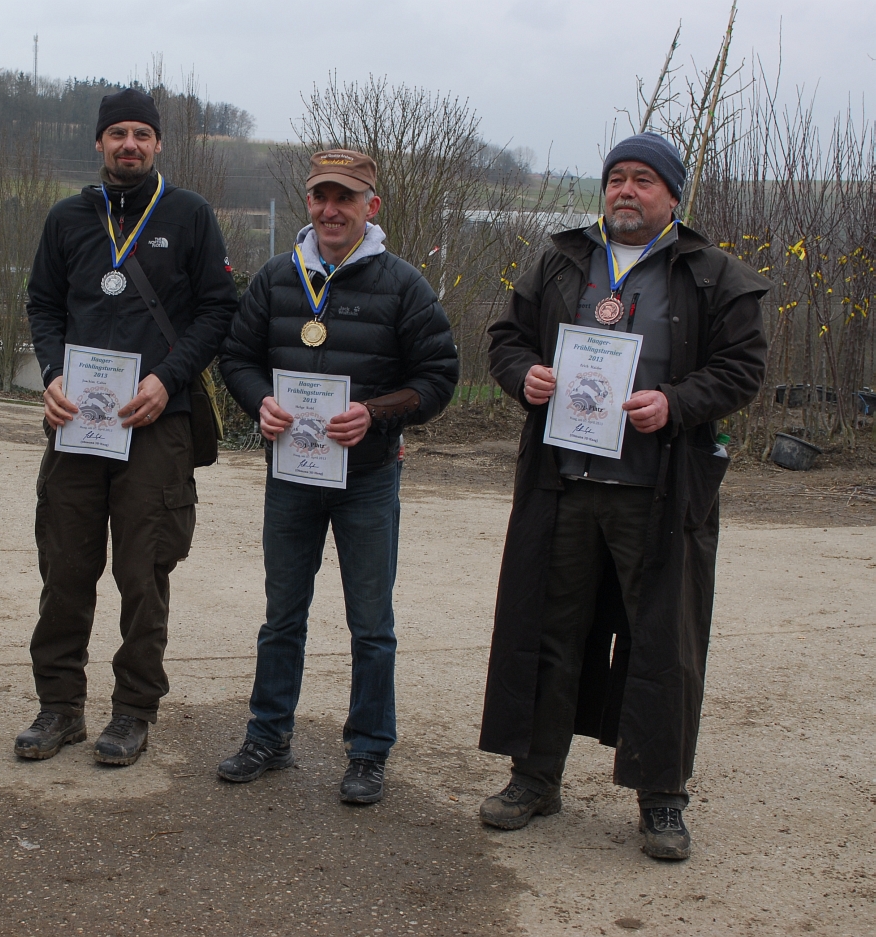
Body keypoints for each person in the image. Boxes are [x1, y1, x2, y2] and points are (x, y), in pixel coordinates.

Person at [477, 133, 769, 859]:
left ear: (672, 195)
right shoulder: (561, 260)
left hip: (658, 492)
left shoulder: (712, 274)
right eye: (616, 179)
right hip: (563, 483)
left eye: (643, 180)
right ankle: (535, 777)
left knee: (662, 644)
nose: (625, 192)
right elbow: (506, 339)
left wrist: (675, 402)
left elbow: (742, 369)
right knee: (547, 630)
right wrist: (523, 375)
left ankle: (661, 797)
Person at [214, 149, 459, 804]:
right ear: (309, 202)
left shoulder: (403, 285)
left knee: (371, 623)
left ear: (369, 207)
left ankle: (369, 752)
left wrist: (376, 414)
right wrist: (259, 401)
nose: (331, 209)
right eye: (322, 196)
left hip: (367, 477)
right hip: (292, 474)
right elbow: (236, 357)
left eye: (345, 198)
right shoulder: (276, 278)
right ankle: (268, 736)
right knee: (281, 616)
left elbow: (439, 378)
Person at [16, 88, 238, 767]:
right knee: (65, 569)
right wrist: (51, 373)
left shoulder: (189, 215)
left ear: (158, 143)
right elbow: (43, 304)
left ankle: (134, 711)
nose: (130, 144)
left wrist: (168, 378)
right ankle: (59, 707)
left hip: (156, 423)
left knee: (143, 574)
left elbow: (218, 310)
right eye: (118, 134)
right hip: (77, 422)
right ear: (99, 143)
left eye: (142, 133)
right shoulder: (67, 218)